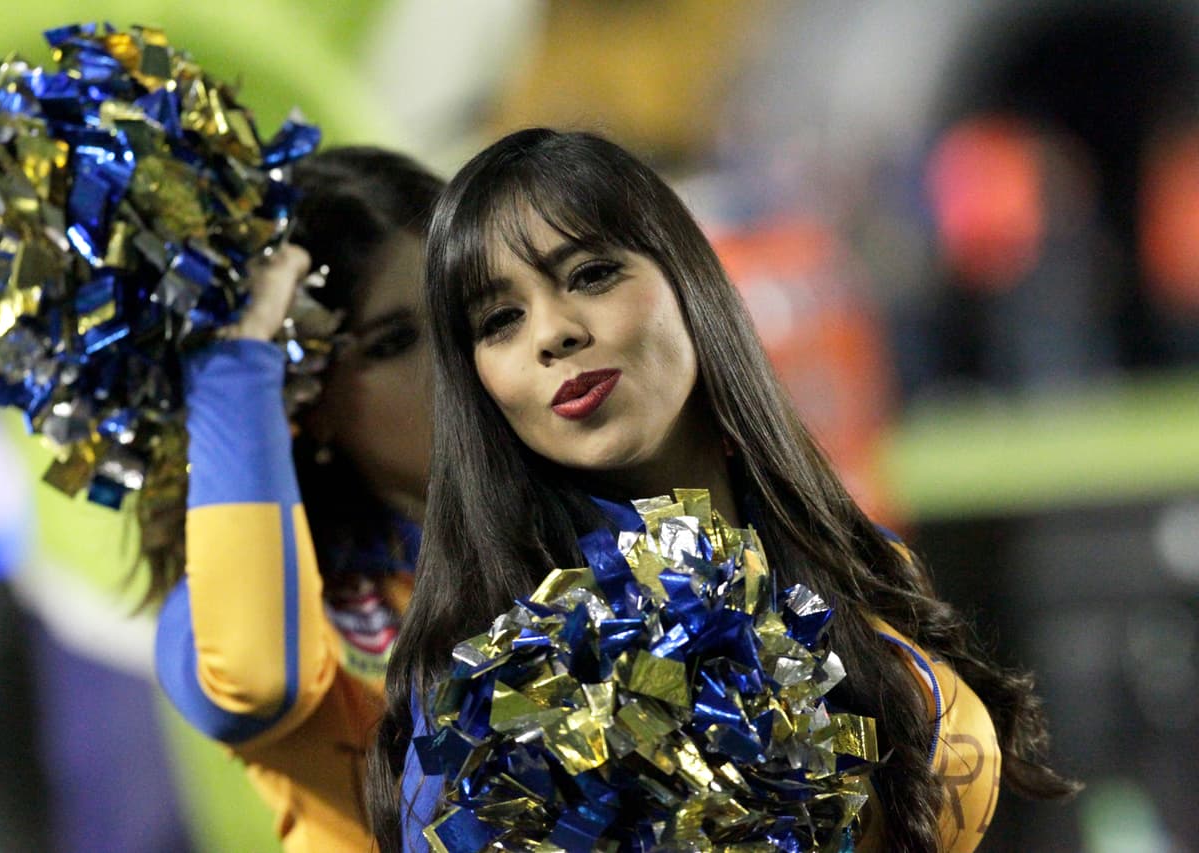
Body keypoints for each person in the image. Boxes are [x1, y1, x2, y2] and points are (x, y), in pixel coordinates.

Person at [366, 129, 1079, 852]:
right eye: (500, 321)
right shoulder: (503, 676)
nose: (551, 332)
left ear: (689, 284)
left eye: (590, 274)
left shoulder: (856, 565)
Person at [151, 146, 444, 851]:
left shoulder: (607, 524)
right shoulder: (280, 609)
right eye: (395, 341)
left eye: (475, 309)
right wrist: (234, 365)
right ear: (308, 399)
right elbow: (255, 677)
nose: (459, 363)